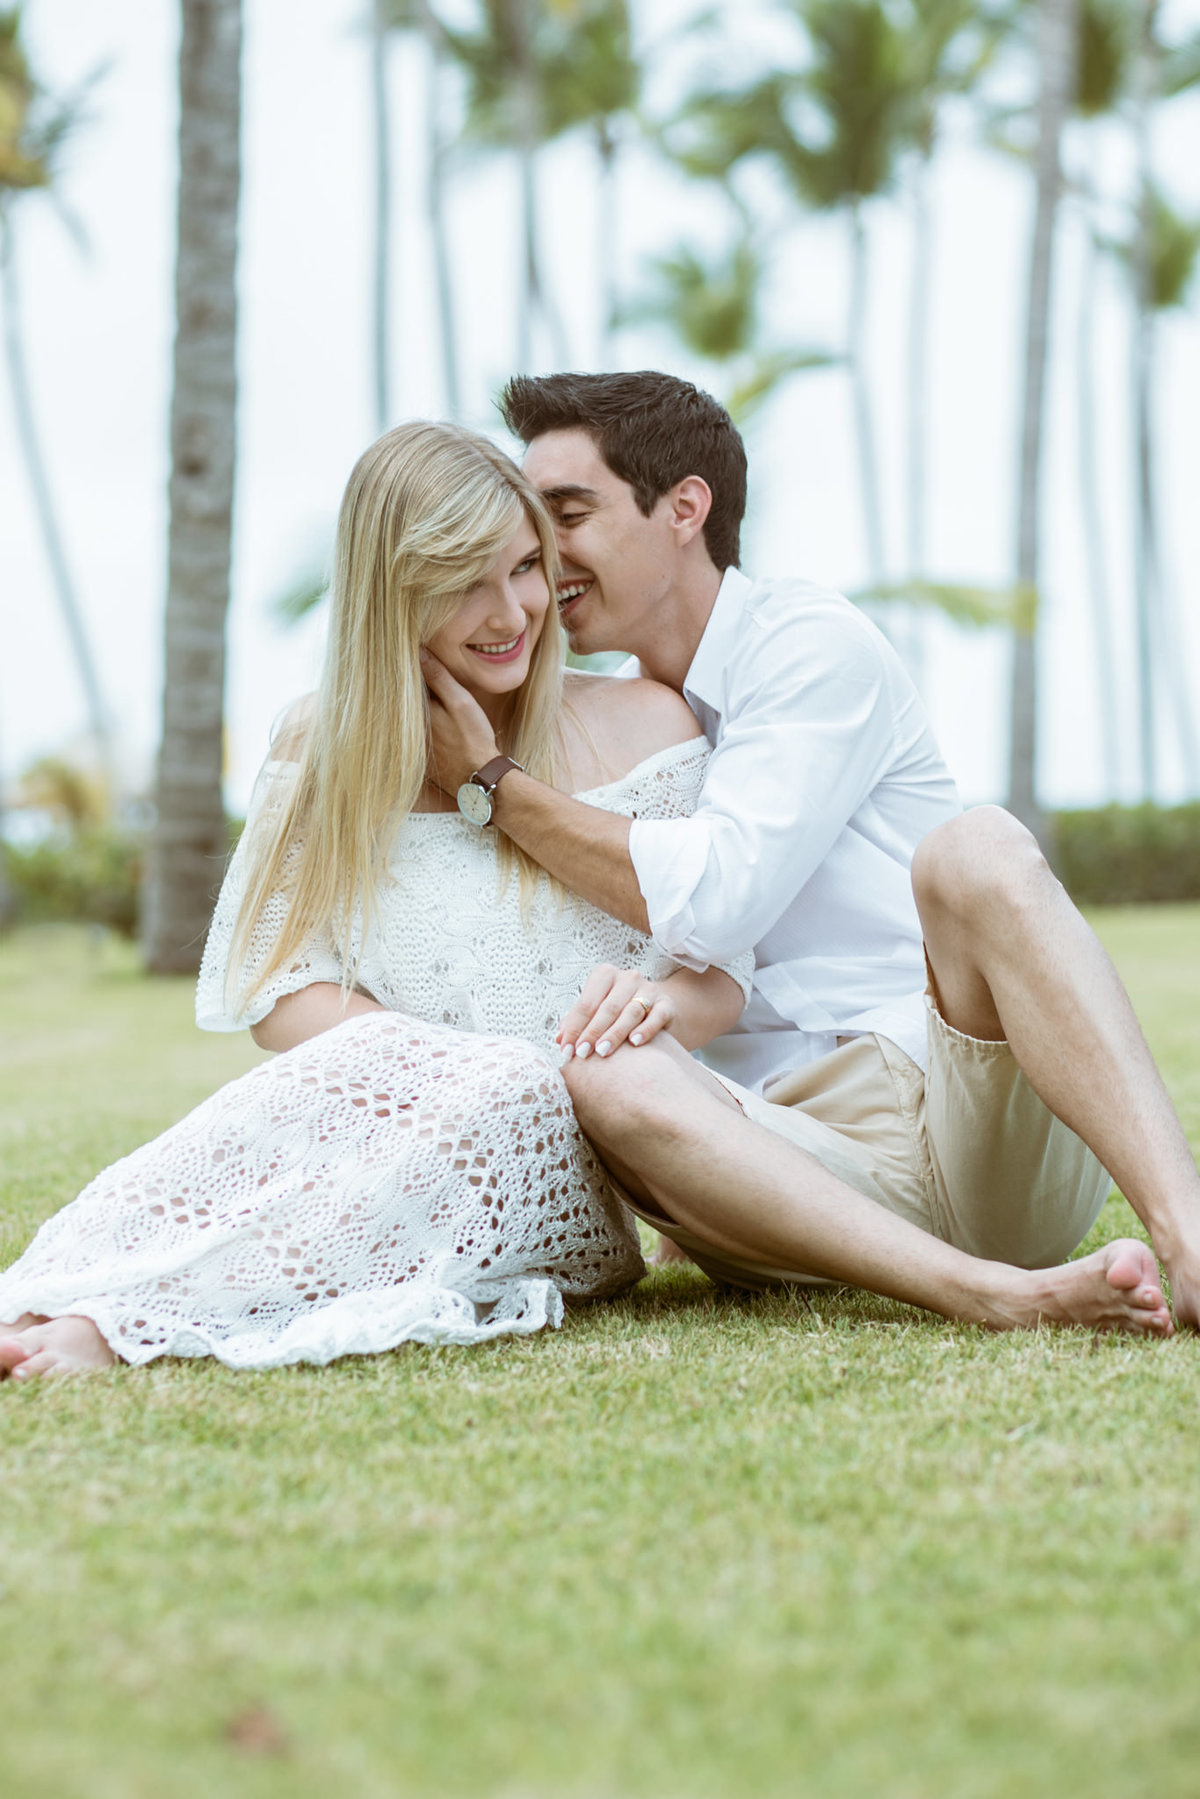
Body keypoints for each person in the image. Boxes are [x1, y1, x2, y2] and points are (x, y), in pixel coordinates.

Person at [421, 370, 1200, 1335]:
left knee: (978, 848)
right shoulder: (607, 720)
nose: (544, 552)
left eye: (569, 514)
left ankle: (1190, 1233)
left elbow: (720, 901)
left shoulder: (807, 645)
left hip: (962, 1110)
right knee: (600, 1069)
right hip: (788, 1174)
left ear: (684, 509)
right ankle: (993, 1297)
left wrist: (494, 786)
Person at [0, 421, 753, 1378]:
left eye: (524, 566)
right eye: (462, 580)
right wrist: (420, 1067)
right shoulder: (319, 744)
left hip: (559, 1148)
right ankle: (45, 1291)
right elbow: (279, 987)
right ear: (389, 592)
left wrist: (650, 1017)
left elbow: (722, 970)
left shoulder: (646, 722)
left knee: (504, 1086)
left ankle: (114, 1330)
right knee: (238, 1143)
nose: (510, 611)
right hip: (374, 1109)